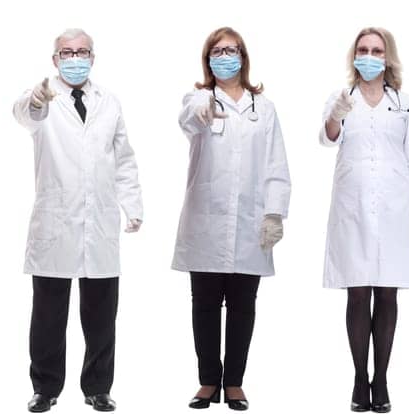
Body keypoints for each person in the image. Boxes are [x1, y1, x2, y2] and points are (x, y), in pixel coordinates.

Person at [15, 28, 142, 414]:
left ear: (93, 57)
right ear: (55, 59)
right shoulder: (43, 99)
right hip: (56, 222)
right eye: (67, 52)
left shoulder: (110, 102)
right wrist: (35, 99)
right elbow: (24, 113)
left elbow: (123, 158)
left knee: (102, 314)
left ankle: (98, 388)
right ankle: (45, 388)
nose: (75, 58)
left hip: (99, 222)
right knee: (49, 314)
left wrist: (132, 204)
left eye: (83, 51)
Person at [173, 26, 291, 412]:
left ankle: (235, 383)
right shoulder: (199, 98)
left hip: (249, 223)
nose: (226, 56)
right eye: (218, 51)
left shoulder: (265, 108)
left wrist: (274, 213)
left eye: (232, 49)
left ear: (244, 55)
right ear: (207, 59)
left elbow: (276, 165)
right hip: (206, 222)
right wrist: (202, 111)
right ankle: (208, 381)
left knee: (244, 304)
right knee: (204, 303)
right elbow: (187, 120)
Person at [319, 27, 409, 414]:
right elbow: (327, 137)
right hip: (351, 207)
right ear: (354, 56)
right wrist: (334, 116)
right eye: (363, 50)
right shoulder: (342, 98)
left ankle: (381, 379)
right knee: (357, 291)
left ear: (388, 57)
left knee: (388, 292)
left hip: (392, 208)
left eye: (376, 50)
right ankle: (358, 378)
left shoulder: (404, 102)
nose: (369, 56)